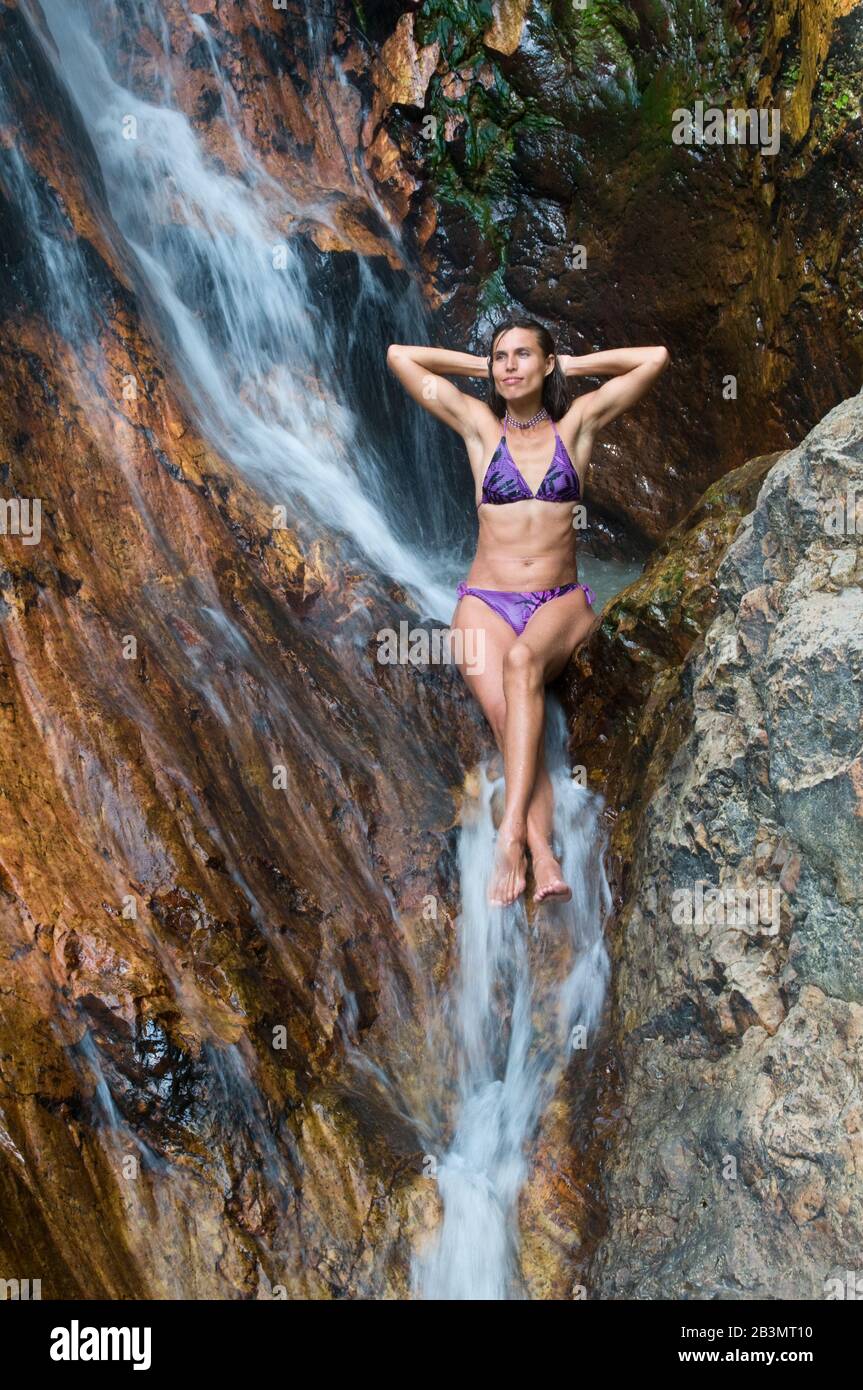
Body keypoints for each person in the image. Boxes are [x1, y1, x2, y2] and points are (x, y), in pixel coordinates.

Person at [386, 319, 669, 907]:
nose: (510, 366)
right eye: (501, 358)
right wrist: (479, 367)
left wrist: (572, 363)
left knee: (521, 665)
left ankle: (510, 834)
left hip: (558, 602)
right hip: (484, 602)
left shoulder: (578, 426)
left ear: (545, 365)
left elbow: (654, 357)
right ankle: (543, 853)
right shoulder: (479, 428)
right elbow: (400, 357)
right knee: (505, 716)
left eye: (523, 356)